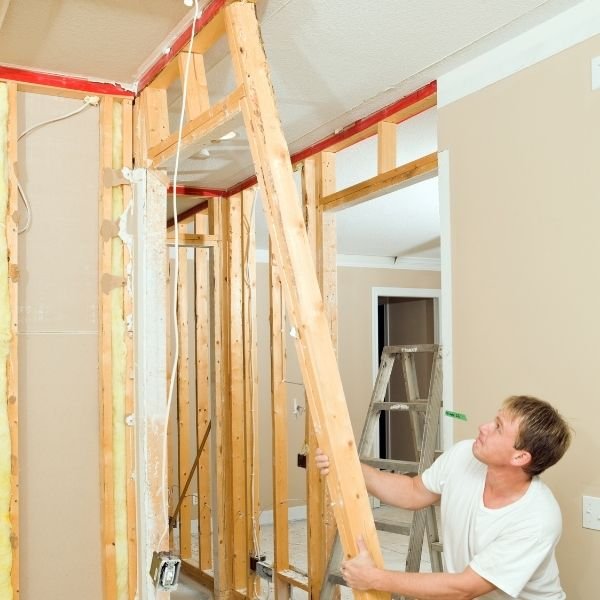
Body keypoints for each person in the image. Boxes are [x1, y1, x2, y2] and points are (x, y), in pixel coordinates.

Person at [315, 395, 571, 599]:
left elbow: (465, 588)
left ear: (520, 457)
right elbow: (413, 491)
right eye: (494, 420)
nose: (483, 427)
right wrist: (351, 468)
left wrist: (374, 578)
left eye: (498, 428)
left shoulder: (536, 519)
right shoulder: (463, 456)